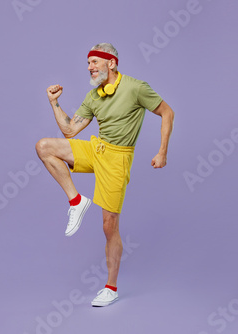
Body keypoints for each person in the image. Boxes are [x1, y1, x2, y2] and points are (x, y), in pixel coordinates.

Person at [35, 43, 174, 307]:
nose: (90, 67)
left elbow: (167, 112)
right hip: (95, 148)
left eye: (95, 62)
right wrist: (54, 103)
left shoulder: (135, 87)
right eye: (88, 63)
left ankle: (111, 287)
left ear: (111, 63)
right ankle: (76, 201)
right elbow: (69, 130)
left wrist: (162, 152)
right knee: (44, 146)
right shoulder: (94, 95)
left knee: (109, 226)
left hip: (117, 158)